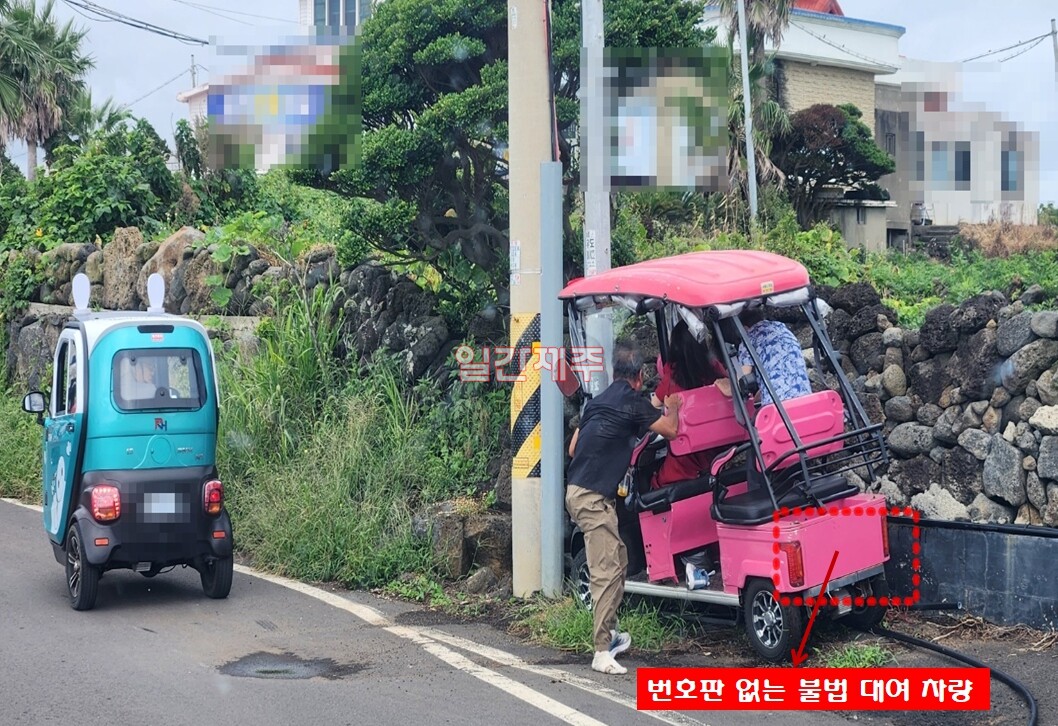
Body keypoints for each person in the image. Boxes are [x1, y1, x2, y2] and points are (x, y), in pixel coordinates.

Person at [566, 342, 681, 675]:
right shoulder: (633, 404)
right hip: (591, 498)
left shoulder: (598, 403)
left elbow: (574, 448)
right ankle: (601, 651)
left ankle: (612, 634)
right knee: (604, 569)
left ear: (613, 373)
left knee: (618, 560)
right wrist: (672, 405)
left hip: (578, 491)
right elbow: (670, 430)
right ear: (640, 376)